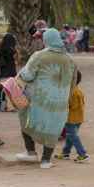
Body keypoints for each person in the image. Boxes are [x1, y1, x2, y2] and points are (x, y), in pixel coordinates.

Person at [16, 28, 76, 169]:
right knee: (53, 128)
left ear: (46, 40)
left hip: (38, 100)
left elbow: (27, 75)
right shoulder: (69, 59)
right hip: (60, 103)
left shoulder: (39, 56)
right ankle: (46, 160)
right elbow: (73, 82)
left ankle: (31, 152)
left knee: (25, 120)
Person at [55, 70, 90, 163]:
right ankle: (65, 153)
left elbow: (71, 105)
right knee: (70, 136)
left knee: (73, 136)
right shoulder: (78, 90)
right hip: (78, 118)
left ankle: (82, 154)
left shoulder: (72, 92)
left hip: (71, 118)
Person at [0, 33, 17, 112]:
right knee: (10, 90)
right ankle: (10, 106)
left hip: (2, 72)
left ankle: (8, 106)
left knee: (6, 90)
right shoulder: (10, 50)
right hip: (10, 72)